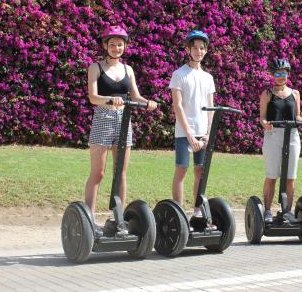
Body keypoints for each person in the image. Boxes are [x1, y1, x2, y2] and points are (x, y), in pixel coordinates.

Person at [85, 25, 157, 221]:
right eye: (113, 44)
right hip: (103, 119)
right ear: (105, 45)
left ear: (125, 46)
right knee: (98, 173)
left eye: (120, 44)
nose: (117, 48)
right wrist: (109, 99)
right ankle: (88, 217)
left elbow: (135, 95)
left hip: (124, 121)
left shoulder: (128, 69)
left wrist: (148, 103)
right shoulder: (96, 67)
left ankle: (119, 217)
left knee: (120, 173)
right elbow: (93, 97)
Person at [169, 30, 215, 218]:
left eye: (202, 48)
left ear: (205, 51)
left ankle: (197, 211)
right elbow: (177, 106)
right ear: (188, 49)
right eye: (195, 48)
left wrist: (208, 133)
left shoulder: (208, 78)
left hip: (202, 133)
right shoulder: (179, 74)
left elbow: (211, 107)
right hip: (184, 133)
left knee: (200, 171)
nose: (198, 51)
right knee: (182, 170)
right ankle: (178, 212)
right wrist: (189, 134)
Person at [259, 58, 302, 223]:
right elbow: (263, 117)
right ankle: (267, 211)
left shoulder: (295, 94)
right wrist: (265, 124)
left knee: (290, 176)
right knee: (272, 174)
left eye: (284, 73)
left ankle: (287, 211)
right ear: (273, 75)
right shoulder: (267, 94)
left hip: (292, 134)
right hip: (274, 135)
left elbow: (298, 114)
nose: (281, 76)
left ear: (288, 74)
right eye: (278, 73)